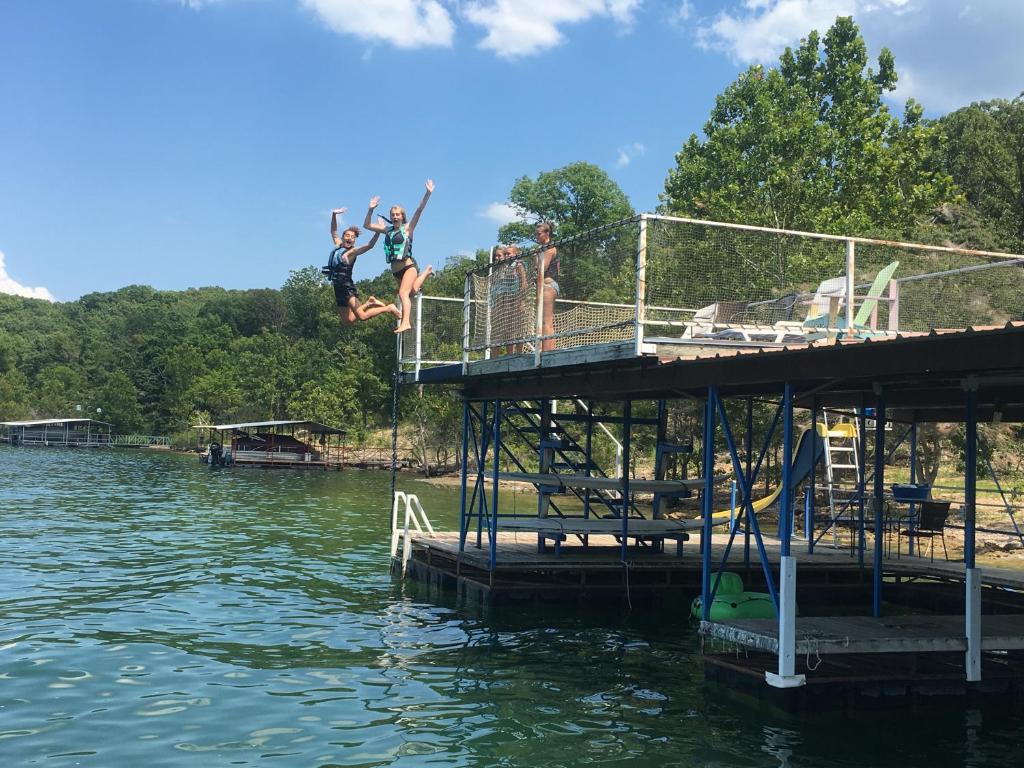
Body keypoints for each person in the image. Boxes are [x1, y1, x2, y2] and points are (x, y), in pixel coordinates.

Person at [363, 180, 435, 333]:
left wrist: (428, 193)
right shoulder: (387, 230)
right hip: (396, 271)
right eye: (393, 214)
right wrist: (370, 209)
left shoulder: (408, 228)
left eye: (398, 214)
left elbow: (419, 210)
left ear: (402, 217)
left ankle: (406, 322)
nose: (395, 216)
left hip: (408, 266)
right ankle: (427, 271)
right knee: (412, 292)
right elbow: (367, 226)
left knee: (403, 293)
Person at [327, 208, 400, 325]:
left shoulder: (353, 252)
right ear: (343, 237)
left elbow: (369, 245)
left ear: (354, 241)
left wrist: (378, 231)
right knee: (347, 321)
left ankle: (389, 308)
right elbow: (333, 231)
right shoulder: (338, 245)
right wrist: (334, 214)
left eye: (352, 237)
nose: (349, 238)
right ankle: (369, 303)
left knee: (362, 316)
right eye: (347, 235)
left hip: (346, 287)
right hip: (337, 287)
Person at [489, 244, 528, 356]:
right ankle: (509, 354)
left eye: (508, 254)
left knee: (518, 327)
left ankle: (518, 353)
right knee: (508, 330)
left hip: (516, 299)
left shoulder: (518, 265)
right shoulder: (504, 269)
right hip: (504, 301)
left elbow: (524, 283)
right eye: (505, 254)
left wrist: (521, 300)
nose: (506, 256)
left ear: (515, 254)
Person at [535, 221, 559, 351]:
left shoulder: (550, 248)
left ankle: (547, 352)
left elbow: (541, 269)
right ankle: (545, 350)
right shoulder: (541, 249)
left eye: (539, 234)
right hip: (542, 285)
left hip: (549, 285)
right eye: (536, 234)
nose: (536, 237)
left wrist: (536, 259)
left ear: (547, 233)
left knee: (546, 322)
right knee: (542, 321)